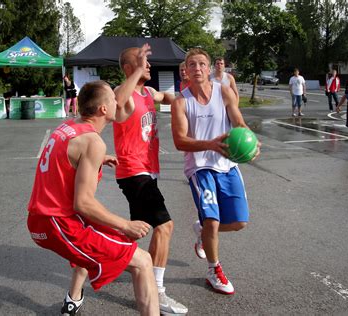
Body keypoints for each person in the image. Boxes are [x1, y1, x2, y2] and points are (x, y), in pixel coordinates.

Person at [27, 80, 159, 315]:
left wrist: (98, 159)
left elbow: (67, 157)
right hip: (57, 223)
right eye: (112, 98)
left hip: (44, 217)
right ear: (104, 110)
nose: (118, 101)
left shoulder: (69, 126)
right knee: (143, 261)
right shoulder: (92, 142)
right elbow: (84, 203)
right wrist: (126, 224)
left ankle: (73, 298)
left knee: (98, 238)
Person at [170, 48, 260, 295]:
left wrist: (251, 141)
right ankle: (214, 269)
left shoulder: (224, 92)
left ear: (209, 69)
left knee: (239, 222)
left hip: (228, 164)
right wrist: (210, 144)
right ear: (186, 71)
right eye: (192, 65)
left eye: (201, 64)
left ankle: (201, 231)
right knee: (212, 220)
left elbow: (239, 122)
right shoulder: (180, 102)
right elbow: (179, 141)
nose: (197, 68)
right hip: (200, 168)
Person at [113, 44, 188, 315]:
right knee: (164, 226)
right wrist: (133, 69)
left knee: (140, 227)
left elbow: (168, 97)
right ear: (128, 68)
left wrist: (191, 89)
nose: (149, 65)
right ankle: (157, 291)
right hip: (134, 172)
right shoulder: (126, 95)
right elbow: (117, 101)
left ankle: (95, 257)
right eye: (142, 61)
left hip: (147, 171)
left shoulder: (147, 92)